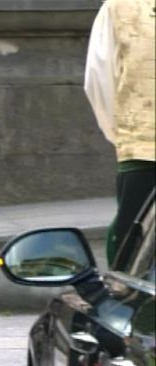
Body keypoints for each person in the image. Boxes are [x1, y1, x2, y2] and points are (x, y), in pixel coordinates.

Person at [83, 0, 155, 268]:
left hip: (142, 146)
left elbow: (99, 82)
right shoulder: (119, 8)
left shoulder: (120, 7)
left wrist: (126, 132)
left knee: (134, 253)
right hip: (141, 149)